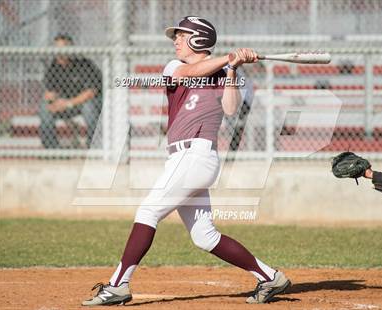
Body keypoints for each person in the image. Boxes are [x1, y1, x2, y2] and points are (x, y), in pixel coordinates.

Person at [82, 16, 291, 306]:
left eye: (181, 36)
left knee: (148, 212)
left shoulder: (225, 73)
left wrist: (232, 69)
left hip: (197, 155)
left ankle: (119, 285)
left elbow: (230, 109)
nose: (176, 41)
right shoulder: (175, 67)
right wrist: (227, 58)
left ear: (198, 39)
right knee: (205, 236)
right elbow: (189, 74)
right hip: (182, 158)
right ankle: (269, 277)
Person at [39, 34, 102, 148]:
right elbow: (50, 92)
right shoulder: (53, 66)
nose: (59, 52)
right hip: (65, 104)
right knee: (45, 107)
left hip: (84, 103)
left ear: (70, 48)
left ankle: (94, 146)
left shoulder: (84, 64)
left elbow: (91, 92)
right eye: (56, 48)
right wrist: (52, 99)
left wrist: (68, 103)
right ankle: (51, 148)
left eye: (62, 48)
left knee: (89, 107)